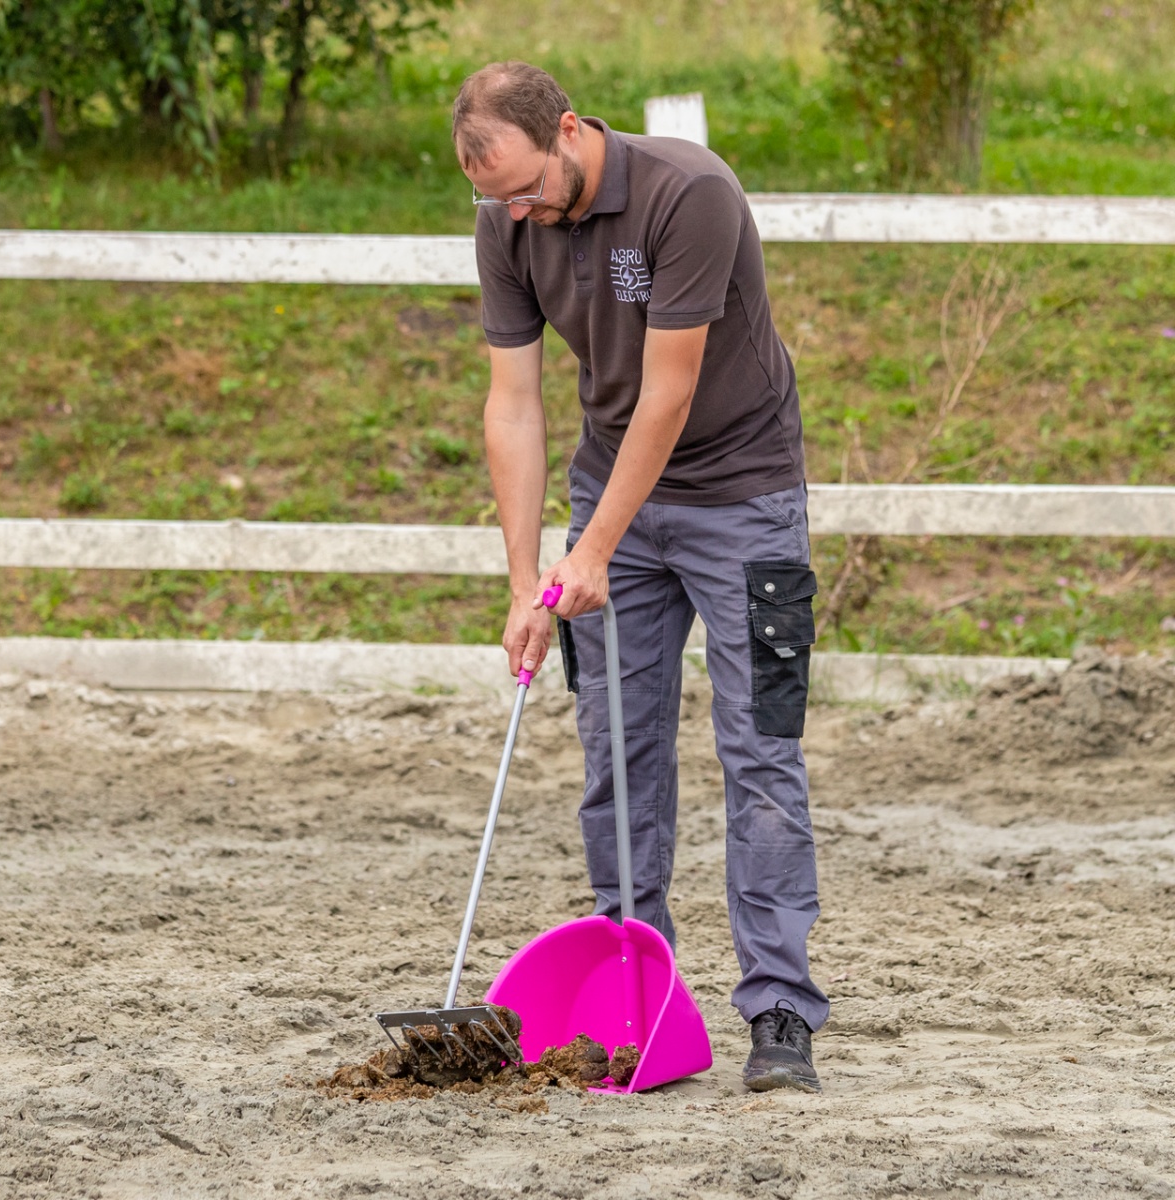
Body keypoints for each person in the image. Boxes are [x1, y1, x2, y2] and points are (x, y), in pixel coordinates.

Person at [452, 61, 828, 1094]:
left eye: (525, 188)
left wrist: (595, 548)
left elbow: (668, 394)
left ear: (569, 131)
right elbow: (514, 406)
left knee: (762, 755)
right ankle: (639, 999)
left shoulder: (687, 193)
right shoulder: (506, 222)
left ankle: (781, 1011)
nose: (516, 213)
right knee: (618, 755)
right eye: (497, 201)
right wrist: (528, 577)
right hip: (610, 504)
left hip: (744, 501)